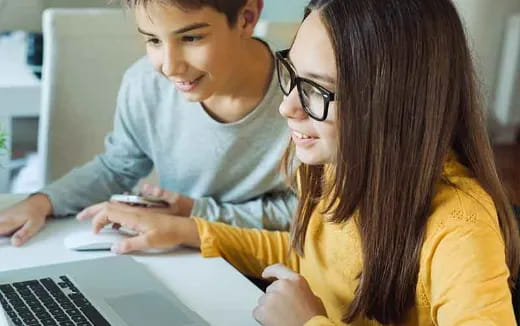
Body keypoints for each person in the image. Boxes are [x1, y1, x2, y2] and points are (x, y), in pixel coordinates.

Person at [80, 0, 520, 324]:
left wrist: (307, 324)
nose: (287, 107)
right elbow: (305, 255)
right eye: (292, 75)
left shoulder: (459, 229)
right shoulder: (340, 164)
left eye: (318, 90)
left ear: (395, 104)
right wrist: (189, 230)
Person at [0, 0, 297, 247]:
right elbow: (117, 168)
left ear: (247, 18)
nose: (170, 67)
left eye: (191, 38)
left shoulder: (306, 98)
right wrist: (41, 202)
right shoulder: (145, 83)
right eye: (153, 40)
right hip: (176, 250)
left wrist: (194, 212)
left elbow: (308, 214)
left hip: (264, 263)